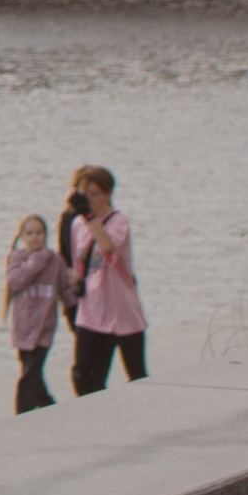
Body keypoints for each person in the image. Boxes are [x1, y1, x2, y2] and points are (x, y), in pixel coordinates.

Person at [67, 166, 147, 390]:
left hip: (122, 310)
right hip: (92, 309)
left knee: (137, 375)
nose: (90, 200)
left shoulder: (119, 221)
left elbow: (108, 247)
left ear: (108, 194)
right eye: (86, 194)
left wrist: (92, 219)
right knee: (83, 376)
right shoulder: (77, 225)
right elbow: (78, 262)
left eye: (95, 194)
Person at [4, 214, 65, 411]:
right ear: (22, 236)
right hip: (23, 327)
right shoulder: (17, 258)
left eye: (39, 233)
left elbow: (64, 289)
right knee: (31, 372)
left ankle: (23, 413)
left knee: (31, 373)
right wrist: (36, 260)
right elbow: (15, 282)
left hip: (45, 327)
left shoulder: (55, 260)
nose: (35, 237)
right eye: (29, 233)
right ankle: (48, 405)